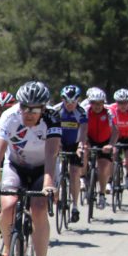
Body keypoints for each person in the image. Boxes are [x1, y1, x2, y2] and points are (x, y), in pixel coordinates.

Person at [0, 81, 60, 256]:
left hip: (43, 168)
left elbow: (51, 153)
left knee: (39, 208)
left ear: (43, 108)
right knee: (8, 207)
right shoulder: (10, 116)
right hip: (16, 165)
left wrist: (48, 185)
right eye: (25, 107)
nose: (28, 113)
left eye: (34, 110)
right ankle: (8, 253)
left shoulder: (52, 117)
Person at [51, 84, 88, 223]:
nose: (70, 104)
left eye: (73, 101)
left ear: (78, 100)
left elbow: (83, 131)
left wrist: (81, 145)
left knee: (74, 172)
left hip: (74, 144)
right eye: (67, 101)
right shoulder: (56, 110)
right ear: (62, 99)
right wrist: (56, 143)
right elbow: (51, 128)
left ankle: (75, 206)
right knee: (56, 168)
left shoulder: (81, 112)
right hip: (59, 141)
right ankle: (57, 191)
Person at [84, 87, 118, 209]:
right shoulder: (86, 111)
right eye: (94, 103)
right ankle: (84, 177)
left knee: (103, 168)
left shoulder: (109, 112)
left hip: (105, 141)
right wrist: (84, 142)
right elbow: (81, 129)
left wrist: (111, 145)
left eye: (100, 103)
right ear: (90, 103)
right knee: (83, 151)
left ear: (104, 102)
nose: (97, 106)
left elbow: (116, 131)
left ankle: (102, 194)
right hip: (90, 139)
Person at [108, 88, 128, 191]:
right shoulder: (111, 109)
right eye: (120, 103)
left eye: (125, 102)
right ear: (116, 102)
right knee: (112, 155)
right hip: (115, 136)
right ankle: (109, 180)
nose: (123, 105)